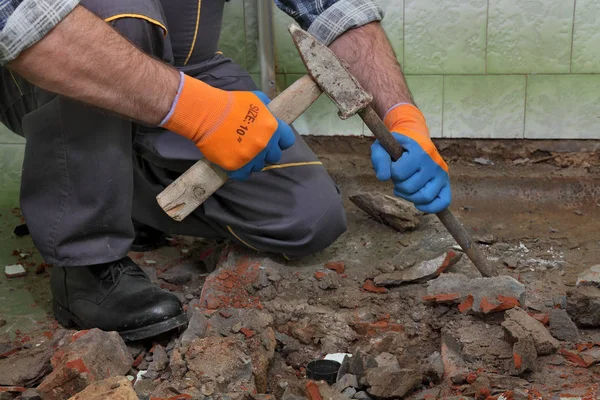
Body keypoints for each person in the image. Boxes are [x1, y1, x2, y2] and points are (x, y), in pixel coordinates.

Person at [0, 0, 452, 341]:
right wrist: (200, 114)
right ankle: (84, 263)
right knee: (121, 19)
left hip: (187, 69)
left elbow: (333, 7)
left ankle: (120, 189)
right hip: (58, 59)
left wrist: (402, 115)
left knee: (307, 218)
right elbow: (19, 19)